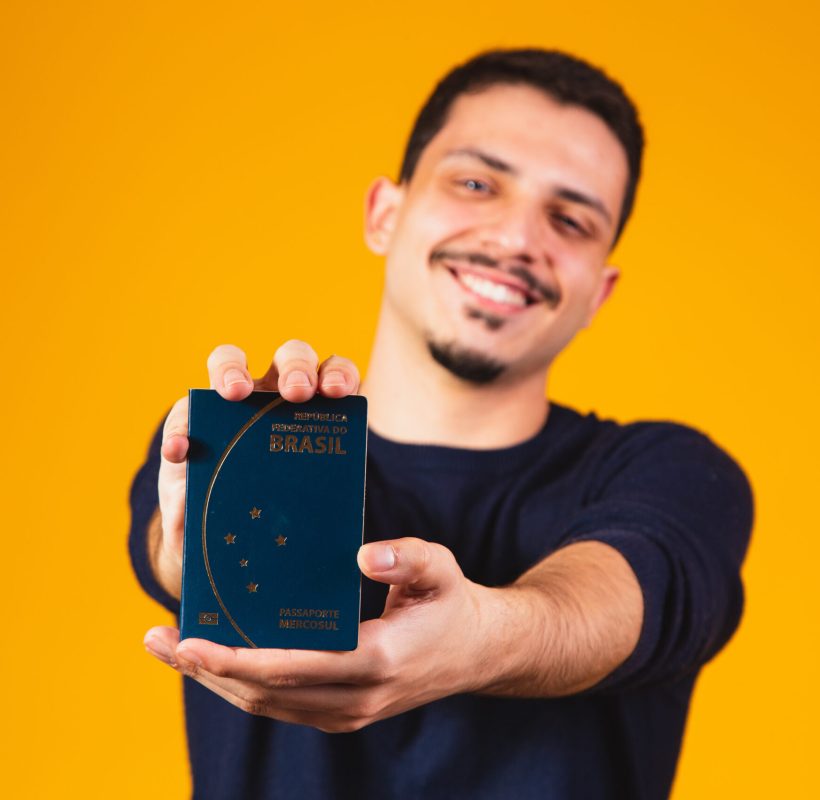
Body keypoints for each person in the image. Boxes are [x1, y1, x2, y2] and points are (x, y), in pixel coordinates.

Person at [130, 49, 753, 799]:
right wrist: (203, 520)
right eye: (476, 183)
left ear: (599, 293)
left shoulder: (677, 474)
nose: (519, 238)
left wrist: (480, 639)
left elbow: (626, 591)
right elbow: (168, 551)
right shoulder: (226, 443)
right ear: (383, 215)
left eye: (571, 218)